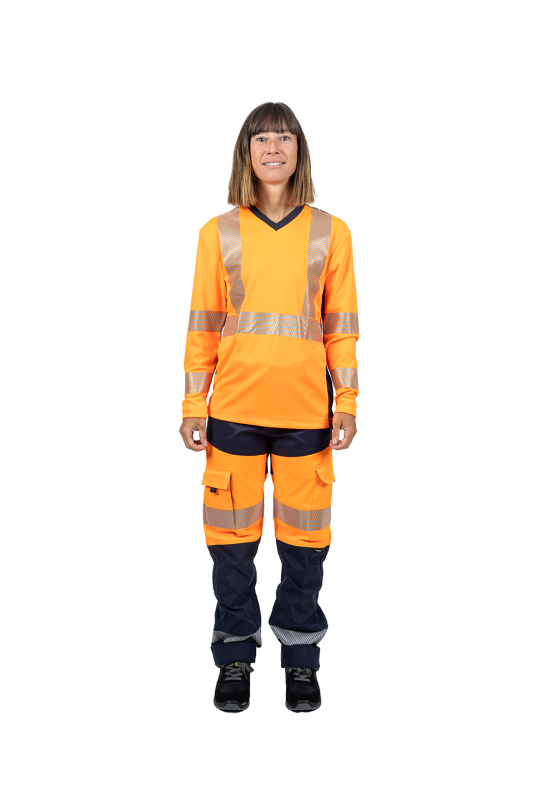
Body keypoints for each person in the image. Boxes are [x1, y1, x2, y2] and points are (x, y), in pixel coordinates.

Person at [178, 100, 359, 714]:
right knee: (230, 542)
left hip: (307, 412)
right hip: (233, 408)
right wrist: (194, 404)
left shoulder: (332, 232)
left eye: (284, 137)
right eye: (261, 139)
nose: (273, 148)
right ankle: (234, 653)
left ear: (299, 151)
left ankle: (301, 659)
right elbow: (202, 326)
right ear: (245, 154)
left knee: (306, 543)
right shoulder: (218, 232)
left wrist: (347, 401)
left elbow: (342, 326)